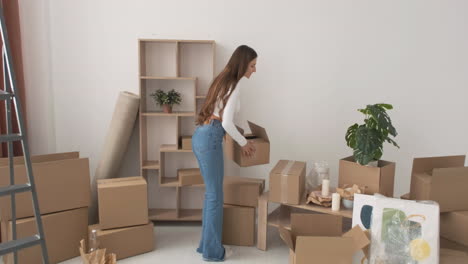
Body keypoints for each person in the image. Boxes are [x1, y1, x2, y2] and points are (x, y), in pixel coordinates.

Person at [192, 45, 258, 261]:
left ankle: (206, 246)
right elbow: (227, 122)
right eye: (252, 65)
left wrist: (238, 134)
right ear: (243, 64)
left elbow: (222, 117)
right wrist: (243, 143)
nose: (254, 70)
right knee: (215, 197)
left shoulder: (223, 79)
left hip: (202, 134)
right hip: (210, 137)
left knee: (211, 195)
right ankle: (213, 252)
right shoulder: (235, 85)